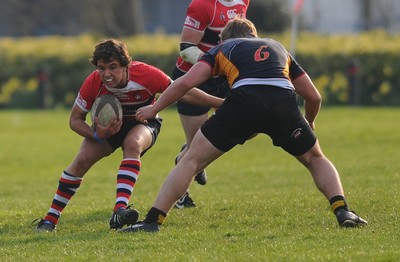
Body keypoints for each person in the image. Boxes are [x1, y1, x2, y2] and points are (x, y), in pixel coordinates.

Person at [123, 18, 368, 233]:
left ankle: (153, 220)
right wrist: (309, 122)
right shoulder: (278, 48)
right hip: (282, 102)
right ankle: (342, 210)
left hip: (243, 102)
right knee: (315, 158)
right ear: (254, 34)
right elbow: (314, 97)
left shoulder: (223, 48)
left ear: (224, 38)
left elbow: (185, 83)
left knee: (190, 160)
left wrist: (154, 109)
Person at [33, 38, 223, 232]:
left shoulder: (147, 75)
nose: (106, 74)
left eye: (113, 67)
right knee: (82, 160)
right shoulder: (94, 82)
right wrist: (97, 135)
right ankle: (50, 219)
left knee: (133, 143)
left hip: (143, 122)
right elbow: (75, 120)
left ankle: (120, 209)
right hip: (106, 129)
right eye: (101, 68)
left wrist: (218, 103)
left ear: (126, 65)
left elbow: (182, 91)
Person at [172, 0, 250, 208]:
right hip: (193, 77)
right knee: (196, 147)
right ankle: (181, 197)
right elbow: (186, 49)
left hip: (223, 76)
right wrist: (216, 63)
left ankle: (190, 152)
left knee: (241, 126)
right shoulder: (202, 5)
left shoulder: (243, 1)